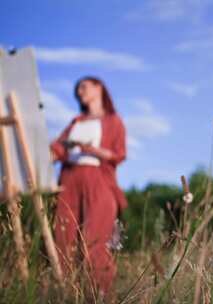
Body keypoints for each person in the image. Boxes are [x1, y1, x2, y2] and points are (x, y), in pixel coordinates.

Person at [50, 76, 127, 296]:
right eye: (77, 90)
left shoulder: (113, 120)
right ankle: (67, 294)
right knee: (63, 241)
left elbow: (118, 155)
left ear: (98, 87)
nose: (79, 92)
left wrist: (87, 148)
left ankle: (100, 295)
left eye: (83, 87)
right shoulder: (76, 121)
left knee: (93, 241)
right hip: (68, 180)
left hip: (98, 179)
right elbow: (56, 149)